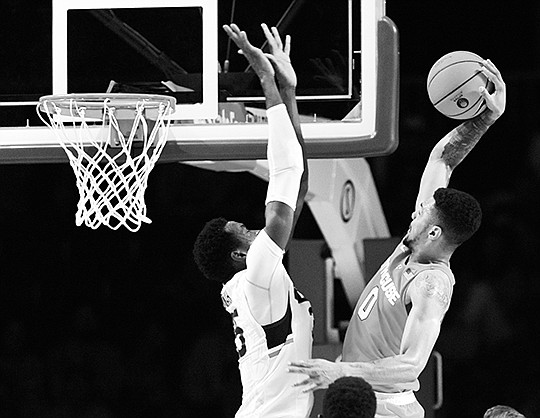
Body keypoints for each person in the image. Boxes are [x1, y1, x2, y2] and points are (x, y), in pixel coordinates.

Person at [287, 58, 506, 418]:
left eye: (422, 214)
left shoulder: (431, 285)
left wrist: (340, 369)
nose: (415, 212)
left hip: (386, 407)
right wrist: (485, 118)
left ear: (434, 232)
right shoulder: (415, 241)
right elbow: (443, 161)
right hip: (358, 394)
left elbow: (410, 366)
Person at [192, 23, 313, 417]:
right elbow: (286, 183)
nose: (252, 227)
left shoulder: (255, 277)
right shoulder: (257, 277)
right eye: (242, 231)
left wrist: (288, 90)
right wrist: (267, 80)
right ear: (238, 255)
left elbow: (296, 184)